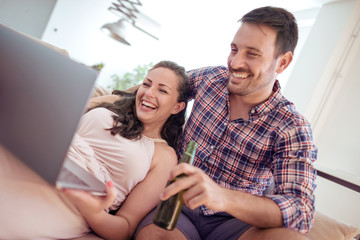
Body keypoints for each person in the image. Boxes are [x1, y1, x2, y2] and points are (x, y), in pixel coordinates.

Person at [134, 6, 317, 240]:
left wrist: (220, 196)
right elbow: (161, 89)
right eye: (234, 49)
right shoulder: (210, 79)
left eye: (252, 54)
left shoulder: (292, 127)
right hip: (175, 207)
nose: (235, 62)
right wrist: (112, 105)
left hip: (236, 222)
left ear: (282, 62)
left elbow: (301, 210)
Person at [0, 60, 190, 240]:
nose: (148, 93)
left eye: (162, 90)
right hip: (42, 159)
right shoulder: (112, 108)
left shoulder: (165, 156)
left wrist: (93, 210)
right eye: (146, 84)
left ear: (177, 106)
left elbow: (126, 227)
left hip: (73, 201)